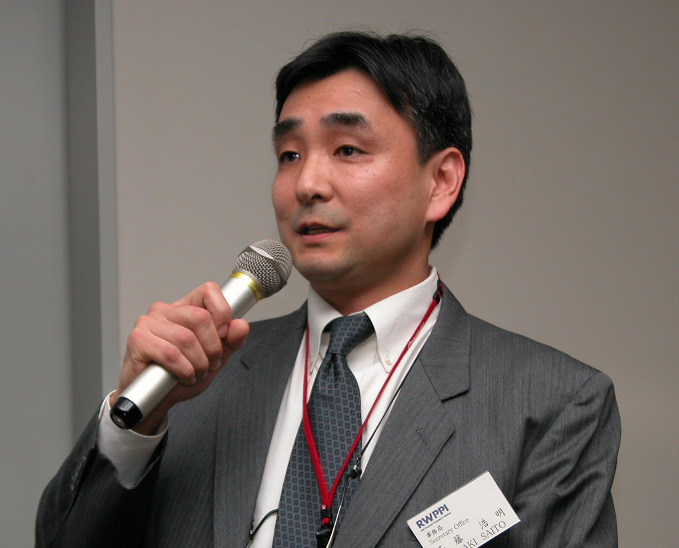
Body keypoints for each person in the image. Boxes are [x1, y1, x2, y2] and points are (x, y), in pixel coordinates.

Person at [36, 31, 620, 547]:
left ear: (441, 181)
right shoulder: (199, 377)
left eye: (347, 150)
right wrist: (137, 422)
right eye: (289, 155)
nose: (307, 183)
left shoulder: (550, 403)